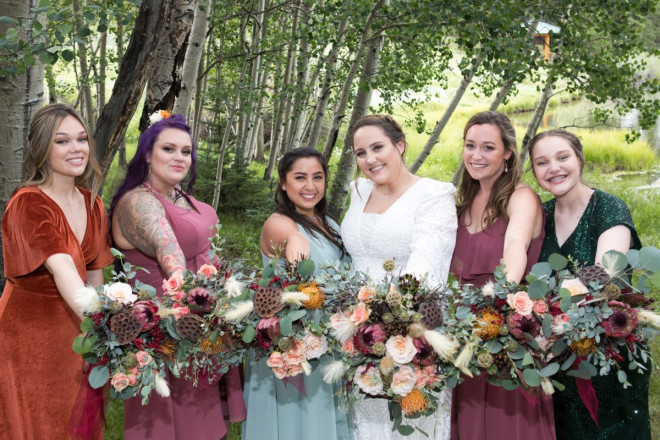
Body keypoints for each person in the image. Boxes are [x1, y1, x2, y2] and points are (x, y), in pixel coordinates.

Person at [109, 113, 246, 440]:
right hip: (169, 329)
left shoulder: (181, 197)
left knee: (209, 426)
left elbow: (210, 251)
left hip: (204, 324)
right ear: (146, 154)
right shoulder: (138, 202)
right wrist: (195, 301)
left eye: (186, 151)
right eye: (168, 149)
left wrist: (236, 299)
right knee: (176, 427)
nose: (179, 157)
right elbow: (169, 252)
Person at [0, 103, 114, 439]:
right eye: (61, 141)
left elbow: (95, 277)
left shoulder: (93, 203)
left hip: (79, 332)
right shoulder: (27, 203)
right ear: (42, 149)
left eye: (81, 139)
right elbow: (63, 268)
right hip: (28, 338)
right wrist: (109, 323)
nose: (76, 148)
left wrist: (99, 337)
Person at [341, 114, 458, 440]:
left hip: (410, 325)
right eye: (360, 153)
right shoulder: (359, 191)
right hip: (354, 330)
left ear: (400, 145)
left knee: (409, 423)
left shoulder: (433, 196)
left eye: (378, 147)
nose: (369, 159)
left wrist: (385, 324)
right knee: (365, 419)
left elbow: (425, 268)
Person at [529, 128, 650, 440]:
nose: (553, 168)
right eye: (542, 163)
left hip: (609, 354)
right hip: (560, 357)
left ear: (579, 159)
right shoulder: (540, 216)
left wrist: (549, 309)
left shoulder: (608, 208)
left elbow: (604, 271)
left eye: (562, 157)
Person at [449, 111, 554, 440]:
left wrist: (491, 310)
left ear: (508, 152)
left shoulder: (520, 197)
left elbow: (515, 248)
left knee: (506, 426)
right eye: (470, 145)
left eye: (488, 147)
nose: (476, 155)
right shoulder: (464, 202)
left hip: (506, 329)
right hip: (462, 331)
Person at [242, 147, 352, 440]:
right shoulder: (279, 222)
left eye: (317, 177)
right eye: (300, 177)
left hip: (328, 338)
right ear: (282, 182)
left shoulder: (328, 223)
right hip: (295, 341)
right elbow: (294, 245)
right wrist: (298, 265)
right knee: (300, 425)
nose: (310, 186)